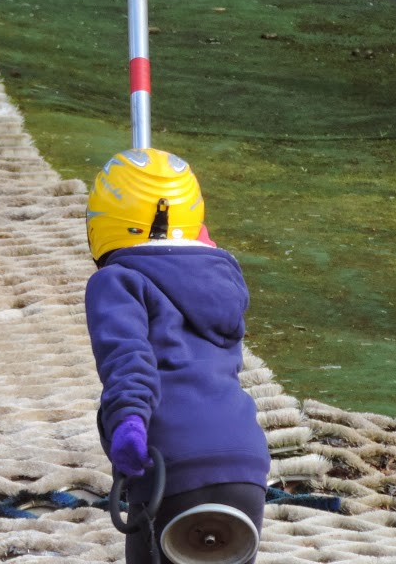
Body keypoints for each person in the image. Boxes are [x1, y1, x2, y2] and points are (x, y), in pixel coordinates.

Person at [84, 147, 270, 564]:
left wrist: (129, 422)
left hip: (172, 463)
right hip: (244, 463)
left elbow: (128, 358)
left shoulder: (118, 281)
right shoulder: (222, 277)